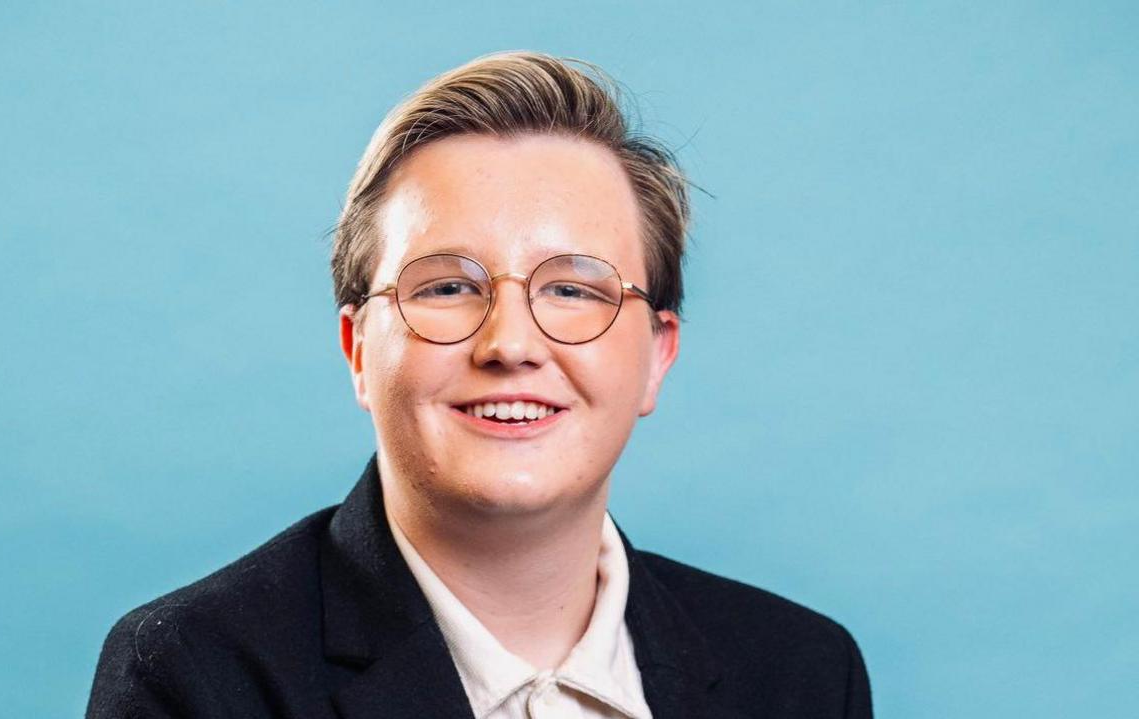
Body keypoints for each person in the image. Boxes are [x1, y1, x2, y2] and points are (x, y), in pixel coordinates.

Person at [87, 51, 873, 719]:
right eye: (446, 287)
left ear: (658, 355)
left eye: (573, 289)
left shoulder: (803, 674)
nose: (510, 344)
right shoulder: (195, 675)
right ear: (359, 349)